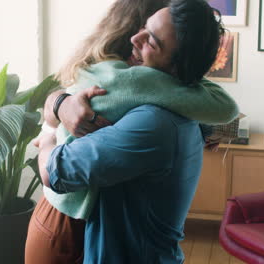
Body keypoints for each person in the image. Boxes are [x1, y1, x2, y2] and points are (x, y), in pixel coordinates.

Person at [25, 0, 238, 263]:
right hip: (68, 214)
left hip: (82, 218)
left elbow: (55, 169)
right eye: (141, 28)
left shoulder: (154, 119)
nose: (135, 39)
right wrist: (58, 105)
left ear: (173, 71)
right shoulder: (177, 101)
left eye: (152, 42)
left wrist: (47, 134)